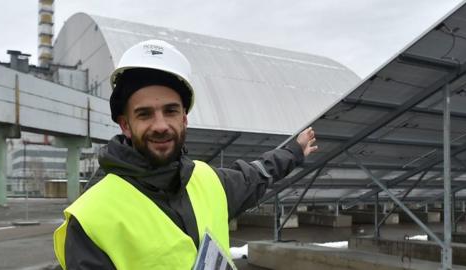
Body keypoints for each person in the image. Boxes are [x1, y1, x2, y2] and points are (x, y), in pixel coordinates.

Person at [53, 39, 317, 270]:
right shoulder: (91, 216)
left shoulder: (207, 180)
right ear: (125, 125)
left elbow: (256, 175)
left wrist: (294, 151)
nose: (160, 125)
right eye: (145, 114)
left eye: (170, 111)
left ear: (184, 119)